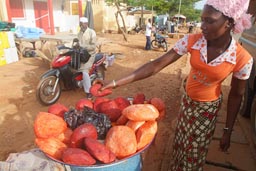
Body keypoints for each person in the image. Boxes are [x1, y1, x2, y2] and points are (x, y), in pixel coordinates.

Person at [99, 0, 253, 170]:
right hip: (187, 103)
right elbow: (155, 65)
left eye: (209, 21)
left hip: (207, 111)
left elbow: (236, 95)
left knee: (194, 153)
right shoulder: (193, 41)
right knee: (180, 142)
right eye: (202, 19)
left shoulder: (242, 58)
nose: (202, 26)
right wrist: (114, 82)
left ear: (229, 23)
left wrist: (227, 131)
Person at [77, 17, 97, 99]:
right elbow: (77, 42)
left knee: (84, 71)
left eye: (83, 23)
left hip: (90, 55)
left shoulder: (92, 32)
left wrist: (82, 46)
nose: (82, 25)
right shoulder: (79, 33)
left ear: (86, 24)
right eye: (81, 24)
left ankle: (88, 91)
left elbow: (93, 46)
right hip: (81, 55)